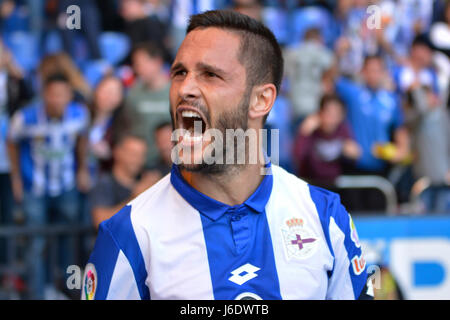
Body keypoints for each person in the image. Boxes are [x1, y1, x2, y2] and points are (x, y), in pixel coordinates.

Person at [82, 10, 372, 300]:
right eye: (179, 72)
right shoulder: (129, 233)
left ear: (261, 100)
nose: (185, 88)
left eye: (210, 74)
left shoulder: (325, 217)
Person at [8, 73, 90, 299]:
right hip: (34, 187)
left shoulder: (79, 115)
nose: (56, 99)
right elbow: (11, 142)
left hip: (66, 185)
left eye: (61, 94)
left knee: (69, 239)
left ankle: (69, 288)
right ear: (44, 95)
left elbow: (83, 138)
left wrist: (82, 168)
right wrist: (16, 178)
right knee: (36, 242)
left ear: (69, 96)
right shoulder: (25, 118)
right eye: (52, 94)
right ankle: (37, 293)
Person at [89, 133, 155, 229]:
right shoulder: (104, 184)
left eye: (142, 155)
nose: (138, 160)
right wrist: (136, 198)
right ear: (117, 153)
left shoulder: (146, 180)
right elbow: (100, 221)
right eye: (133, 154)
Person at [293, 94, 361, 186]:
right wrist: (304, 132)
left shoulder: (343, 130)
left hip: (336, 187)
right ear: (320, 113)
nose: (332, 118)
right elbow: (298, 157)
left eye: (336, 114)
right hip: (311, 185)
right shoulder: (311, 130)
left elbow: (355, 156)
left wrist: (352, 153)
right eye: (328, 113)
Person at [124, 42, 172, 169]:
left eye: (141, 63)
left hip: (170, 162)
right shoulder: (133, 94)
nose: (137, 69)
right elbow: (128, 125)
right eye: (135, 64)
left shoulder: (176, 92)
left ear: (157, 62)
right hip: (141, 163)